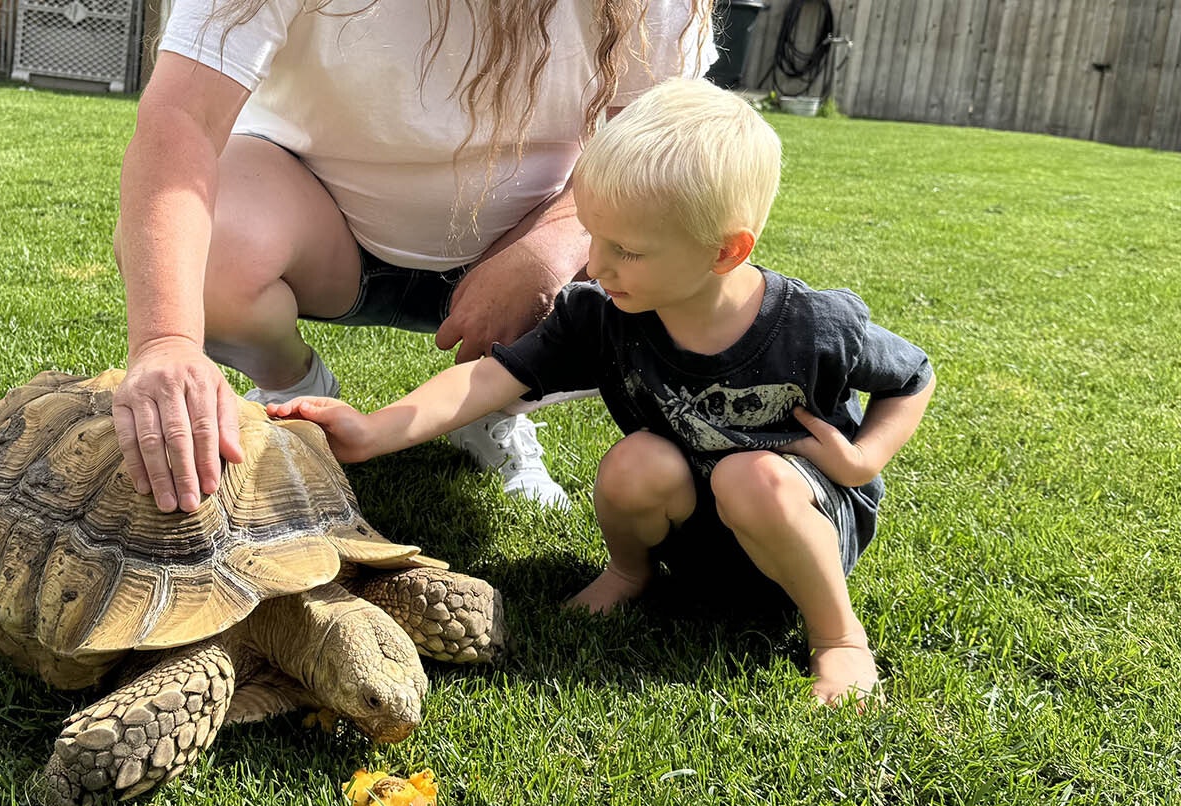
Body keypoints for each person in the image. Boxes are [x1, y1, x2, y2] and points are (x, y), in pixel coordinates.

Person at [267, 78, 936, 705]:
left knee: (750, 475)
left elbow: (912, 377)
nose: (598, 263)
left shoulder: (811, 325)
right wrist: (375, 429)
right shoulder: (604, 312)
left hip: (797, 523)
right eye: (592, 234)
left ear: (726, 252)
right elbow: (491, 377)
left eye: (628, 249)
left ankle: (839, 635)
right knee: (634, 463)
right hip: (698, 533)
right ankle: (629, 572)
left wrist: (863, 459)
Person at [105, 0, 719, 515]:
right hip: (320, 224)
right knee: (208, 247)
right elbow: (181, 117)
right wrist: (166, 340)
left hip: (533, 229)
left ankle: (496, 406)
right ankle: (293, 387)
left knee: (676, 247)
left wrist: (547, 250)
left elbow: (656, 144)